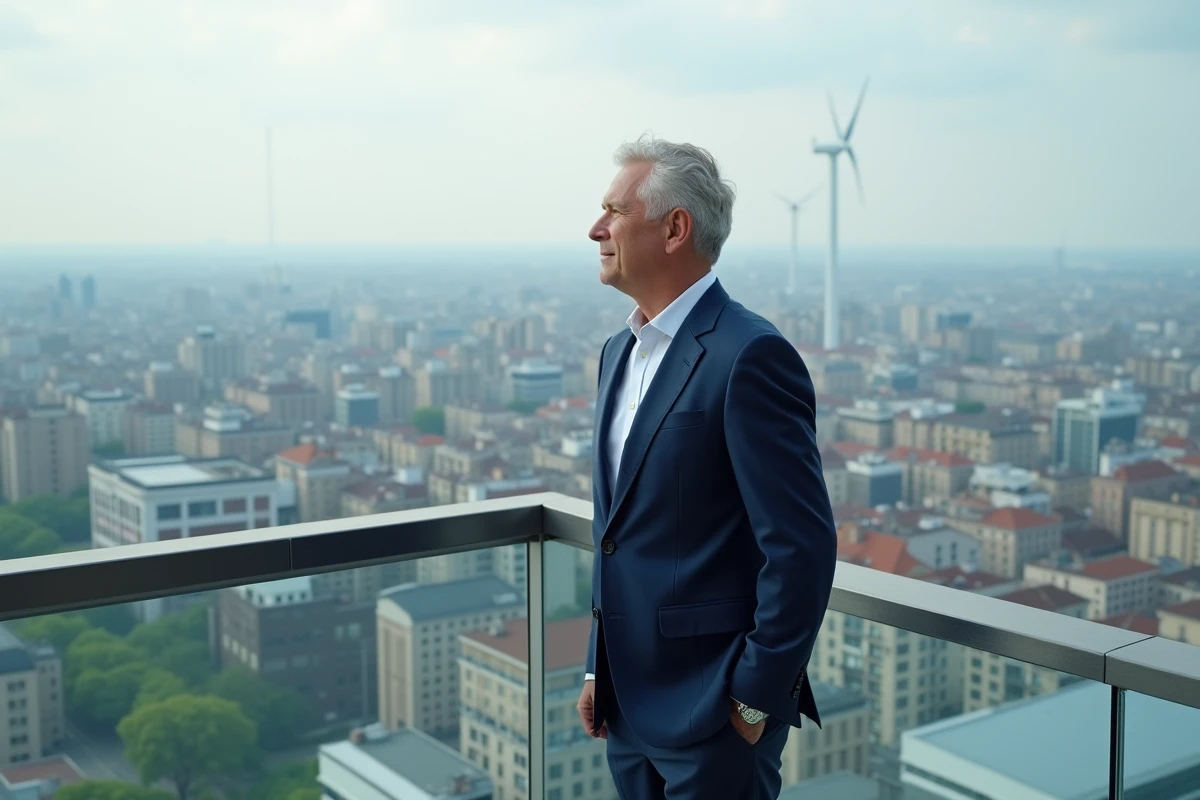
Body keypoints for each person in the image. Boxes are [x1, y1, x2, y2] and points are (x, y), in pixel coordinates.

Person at [577, 136, 838, 800]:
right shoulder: (617, 354)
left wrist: (754, 697)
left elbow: (800, 545)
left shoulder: (750, 356)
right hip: (628, 706)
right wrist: (594, 671)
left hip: (716, 710)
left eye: (613, 211)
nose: (595, 228)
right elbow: (618, 532)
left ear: (674, 228)